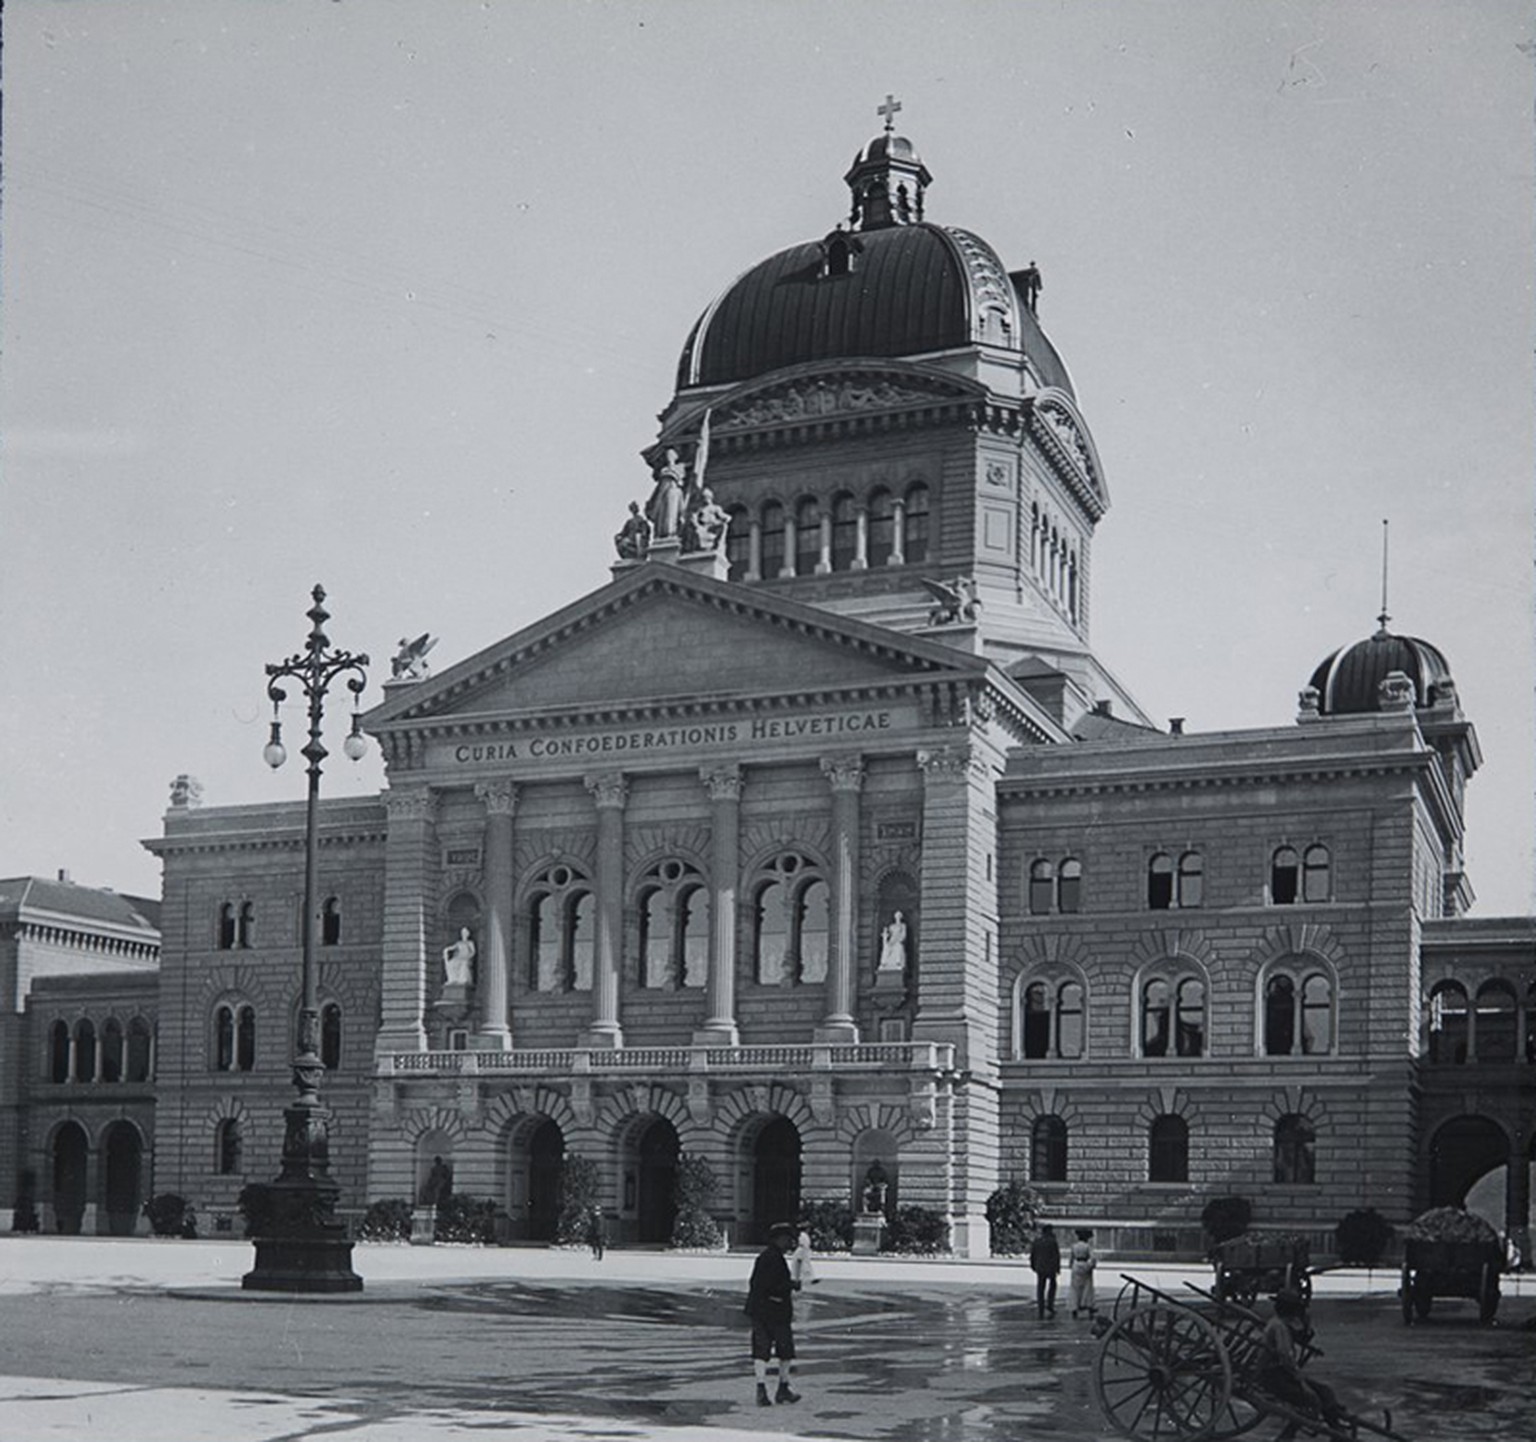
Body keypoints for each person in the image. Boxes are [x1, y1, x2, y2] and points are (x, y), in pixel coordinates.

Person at [1257, 1288, 1345, 1438]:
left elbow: (1301, 1338)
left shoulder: (1280, 1324)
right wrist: (1302, 1382)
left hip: (1280, 1373)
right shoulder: (1279, 1327)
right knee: (1311, 1402)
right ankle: (1286, 1438)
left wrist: (1306, 1326)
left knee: (1325, 1391)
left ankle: (1337, 1430)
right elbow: (1286, 1357)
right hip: (1273, 1376)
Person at [745, 1220, 802, 1406]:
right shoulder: (772, 1259)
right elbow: (770, 1286)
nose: (790, 1243)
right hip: (774, 1312)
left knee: (762, 1350)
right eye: (787, 1239)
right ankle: (781, 1388)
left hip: (761, 1311)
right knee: (784, 1350)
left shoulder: (767, 1257)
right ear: (778, 1239)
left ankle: (763, 1388)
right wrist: (791, 1285)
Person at [1029, 1223, 1061, 1319]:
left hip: (1040, 1268)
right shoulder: (1052, 1242)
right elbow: (1056, 1256)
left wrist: (1033, 1266)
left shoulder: (1037, 1241)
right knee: (1052, 1286)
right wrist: (1057, 1268)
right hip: (1050, 1268)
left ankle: (1041, 1306)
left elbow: (1033, 1255)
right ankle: (1050, 1305)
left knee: (1040, 1288)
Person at [1068, 1227, 1097, 1318]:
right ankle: (1088, 1305)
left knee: (1075, 1288)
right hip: (1085, 1265)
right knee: (1087, 1288)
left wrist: (1071, 1266)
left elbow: (1071, 1258)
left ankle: (1074, 1307)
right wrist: (1091, 1266)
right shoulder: (1087, 1246)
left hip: (1076, 1266)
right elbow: (1092, 1258)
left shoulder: (1074, 1246)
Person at [791, 1224, 818, 1288]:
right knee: (800, 1265)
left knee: (805, 1265)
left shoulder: (805, 1235)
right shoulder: (802, 1235)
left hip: (804, 1250)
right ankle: (797, 1279)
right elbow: (802, 1244)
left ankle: (810, 1277)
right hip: (802, 1250)